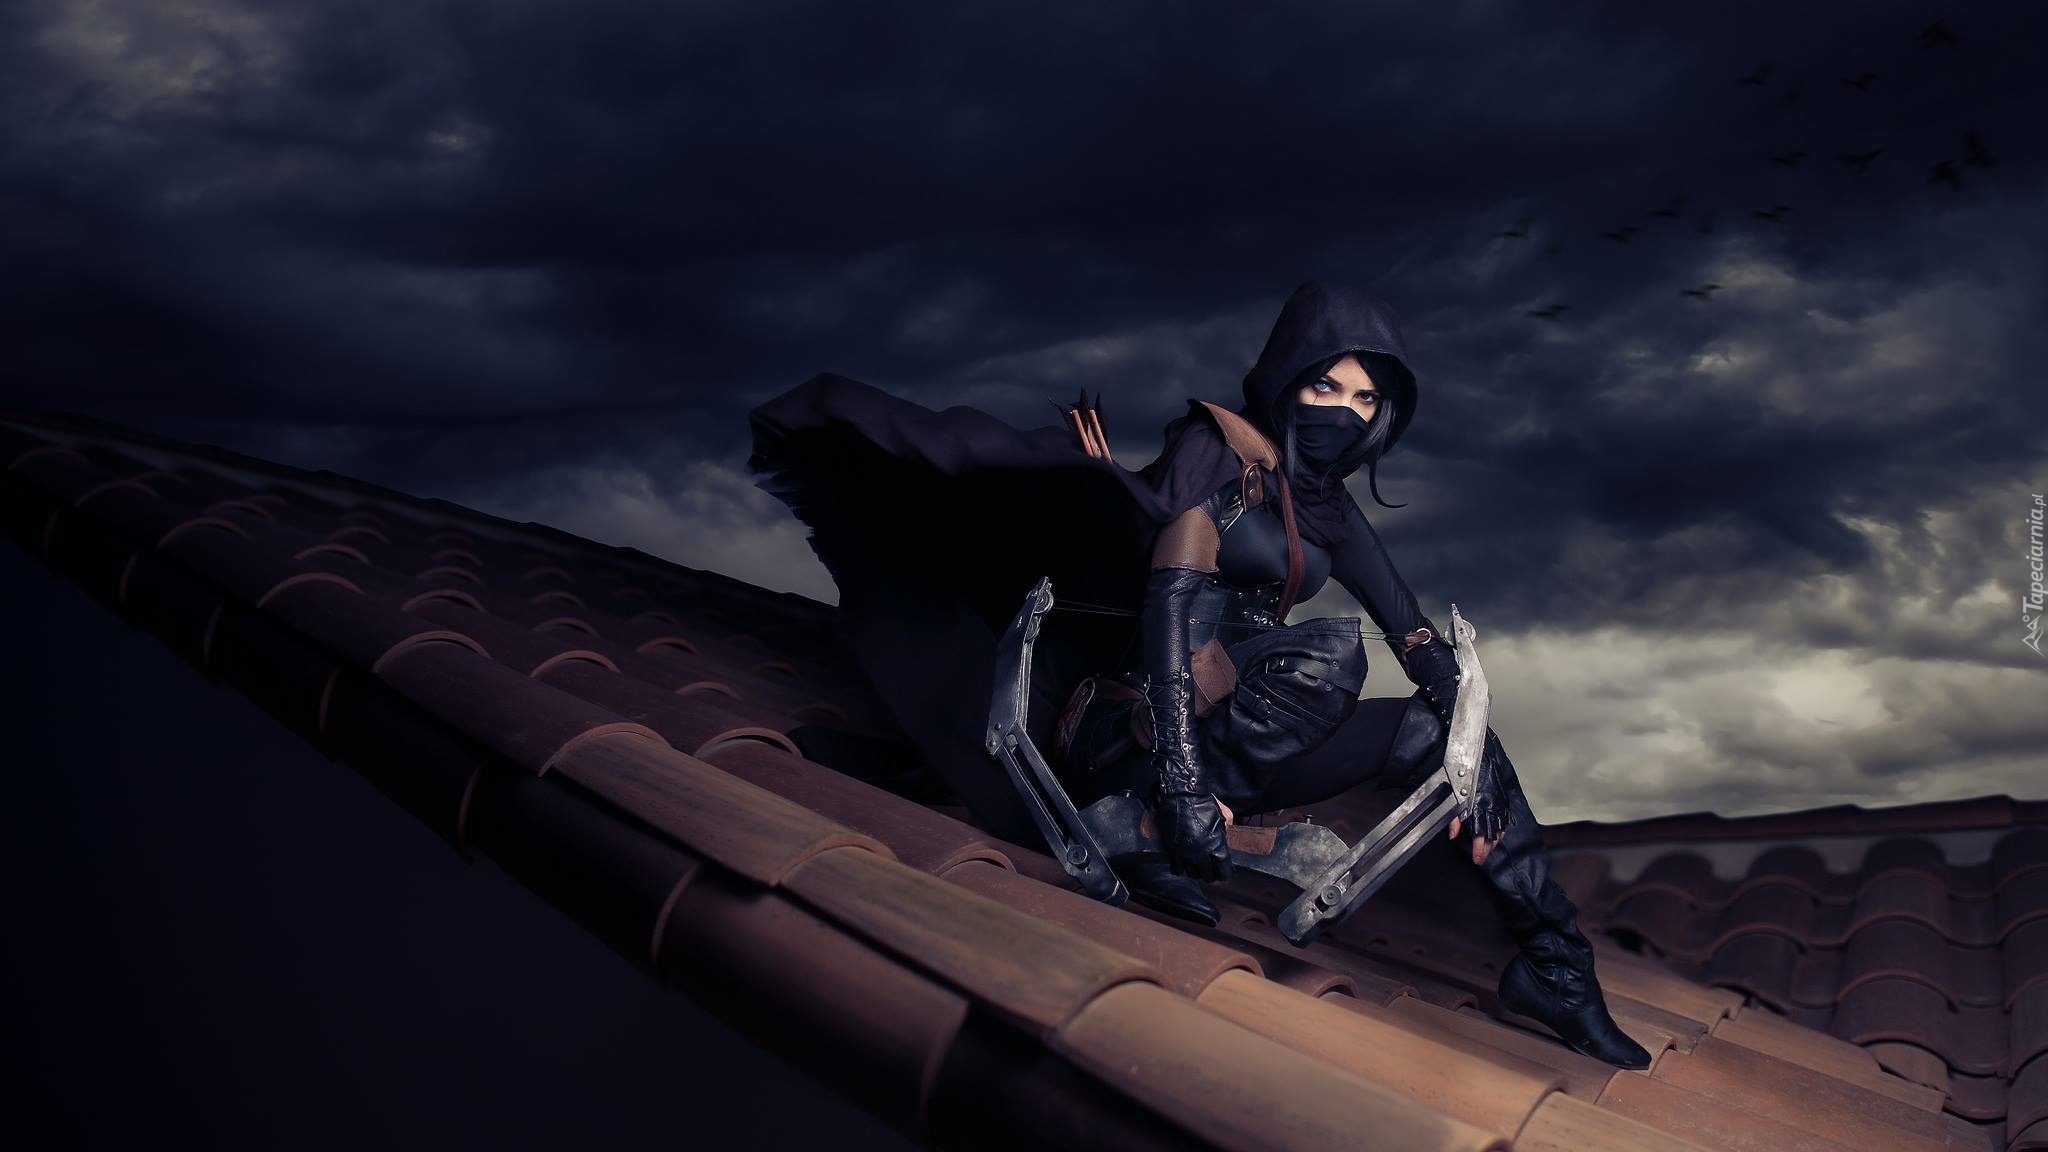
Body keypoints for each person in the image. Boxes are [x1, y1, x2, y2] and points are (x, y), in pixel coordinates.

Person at [748, 280, 1651, 1069]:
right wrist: (1180, 788)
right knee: (1326, 657)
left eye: (1366, 397)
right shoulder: (1214, 449)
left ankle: (1556, 969)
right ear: (1288, 376)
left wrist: (1467, 753)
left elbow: (1413, 634)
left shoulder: (1329, 512)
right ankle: (1156, 817)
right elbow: (1164, 613)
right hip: (1137, 724)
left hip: (1243, 732)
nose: (1344, 410)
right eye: (1326, 385)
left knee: (1446, 733)